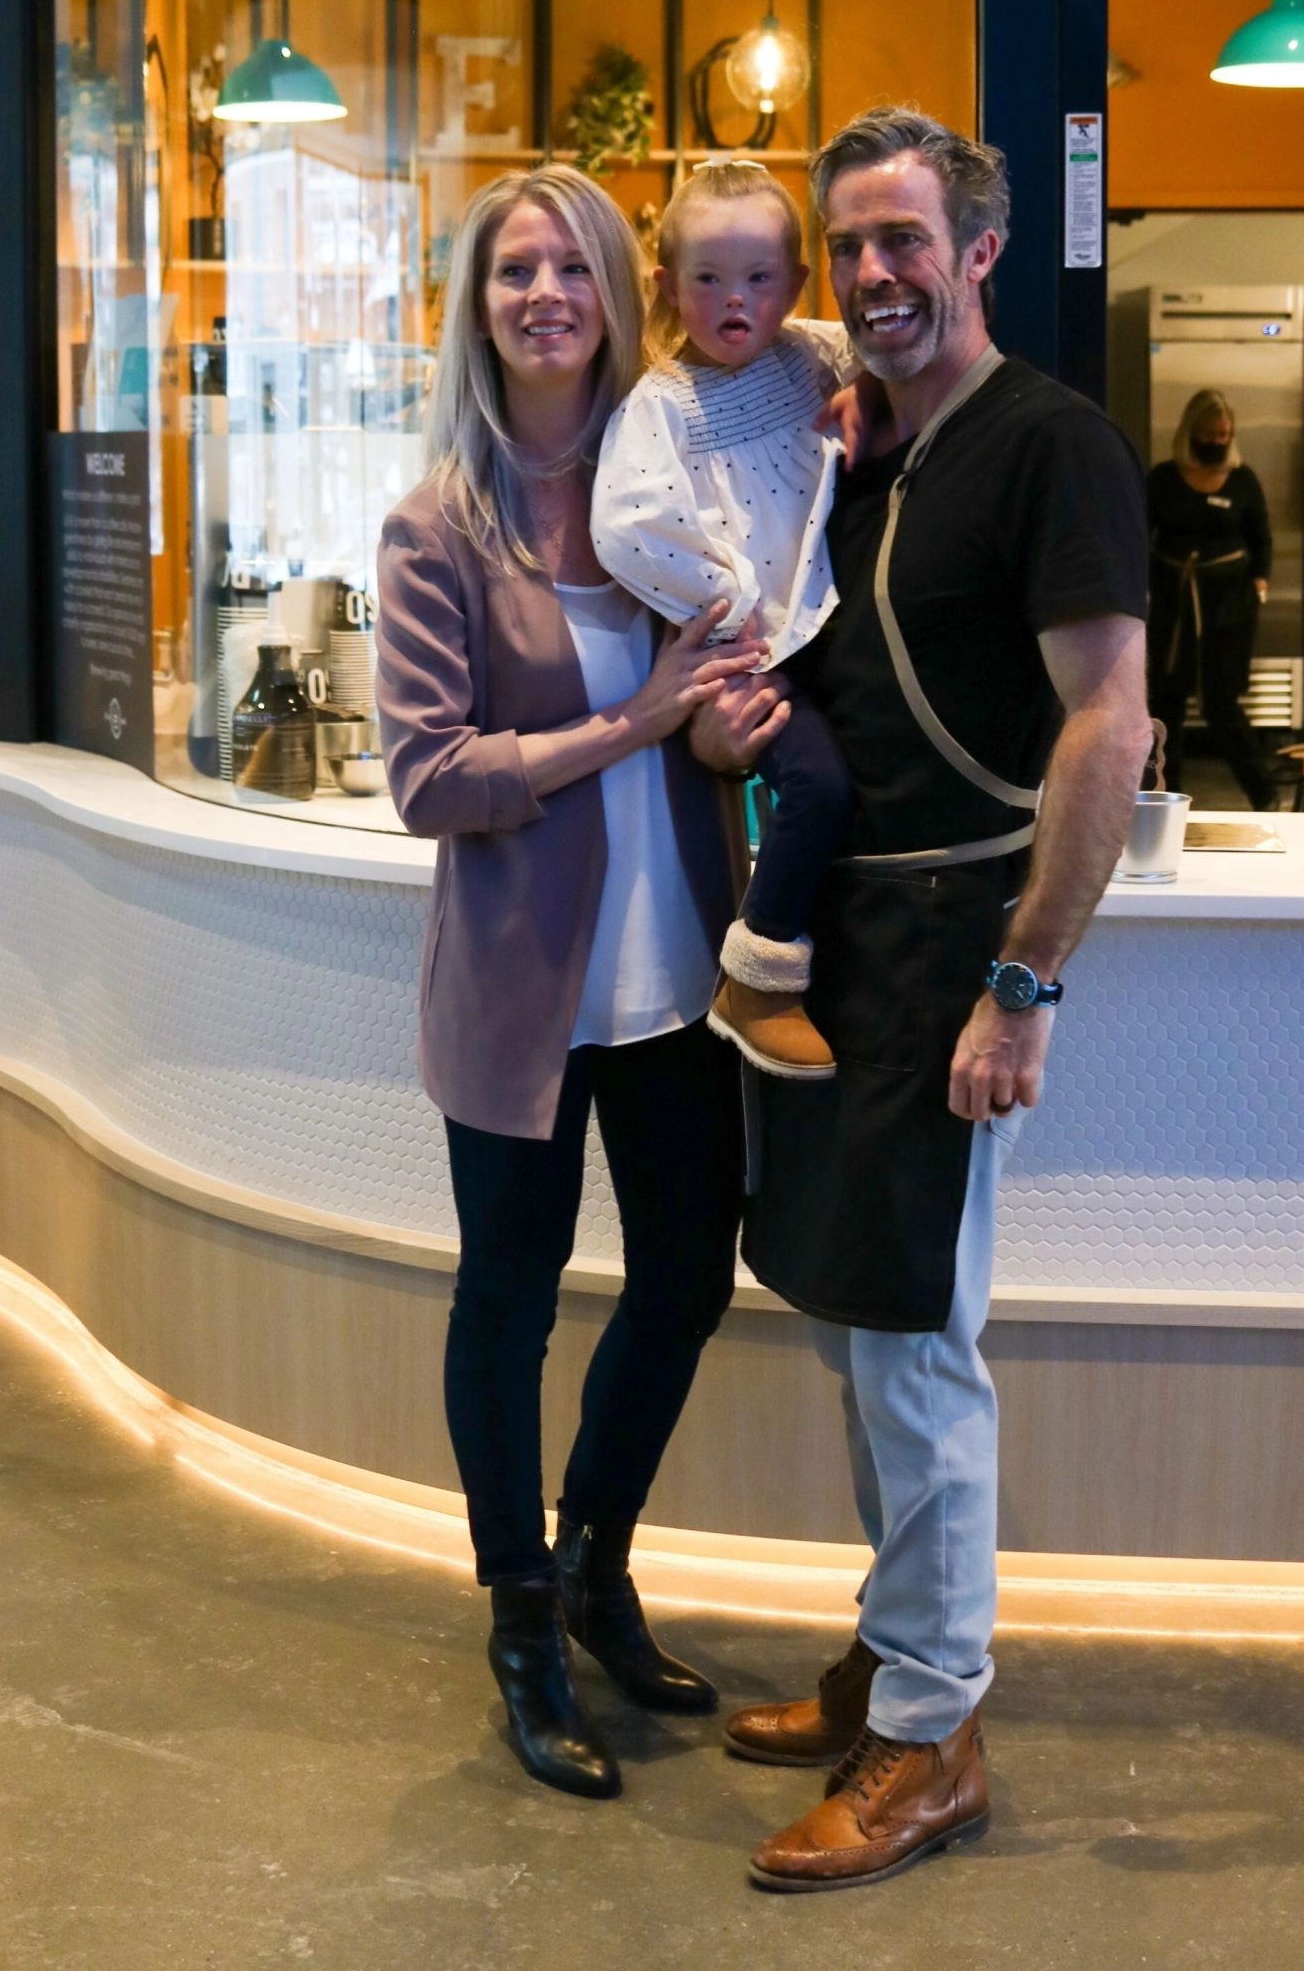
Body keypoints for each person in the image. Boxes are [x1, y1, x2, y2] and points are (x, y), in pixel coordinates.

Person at [692, 107, 1152, 1893]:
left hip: (960, 947)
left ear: (978, 251)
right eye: (850, 245)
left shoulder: (1052, 449)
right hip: (841, 958)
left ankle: (935, 1735)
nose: (874, 274)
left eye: (905, 241)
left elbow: (1106, 730)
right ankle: (894, 1665)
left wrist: (1024, 984)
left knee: (917, 1354)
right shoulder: (857, 456)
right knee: (856, 1331)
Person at [374, 165, 758, 1803]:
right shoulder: (433, 525)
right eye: (514, 270)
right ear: (481, 303)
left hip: (676, 978)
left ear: (615, 297)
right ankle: (519, 1623)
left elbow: (726, 699)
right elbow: (428, 775)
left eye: (572, 269)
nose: (543, 294)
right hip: (524, 998)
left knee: (687, 1275)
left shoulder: (667, 494)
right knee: (505, 1308)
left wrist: (726, 724)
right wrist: (628, 724)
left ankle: (594, 1559)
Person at [591, 159, 856, 1080]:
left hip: (823, 621)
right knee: (816, 784)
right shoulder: (662, 404)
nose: (732, 300)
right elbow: (627, 525)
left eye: (757, 279)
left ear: (795, 283)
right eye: (706, 279)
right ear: (666, 286)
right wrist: (731, 606)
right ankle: (758, 972)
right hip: (747, 645)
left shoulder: (817, 357)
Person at [1146, 387, 1274, 808]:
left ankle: (1265, 794)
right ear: (1191, 432)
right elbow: (1139, 535)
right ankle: (1165, 799)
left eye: (1225, 435)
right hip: (1173, 602)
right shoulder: (1163, 479)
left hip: (1229, 606)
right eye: (1211, 434)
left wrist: (1260, 582)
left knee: (1222, 705)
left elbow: (1261, 538)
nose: (1219, 442)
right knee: (1168, 704)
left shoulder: (1243, 480)